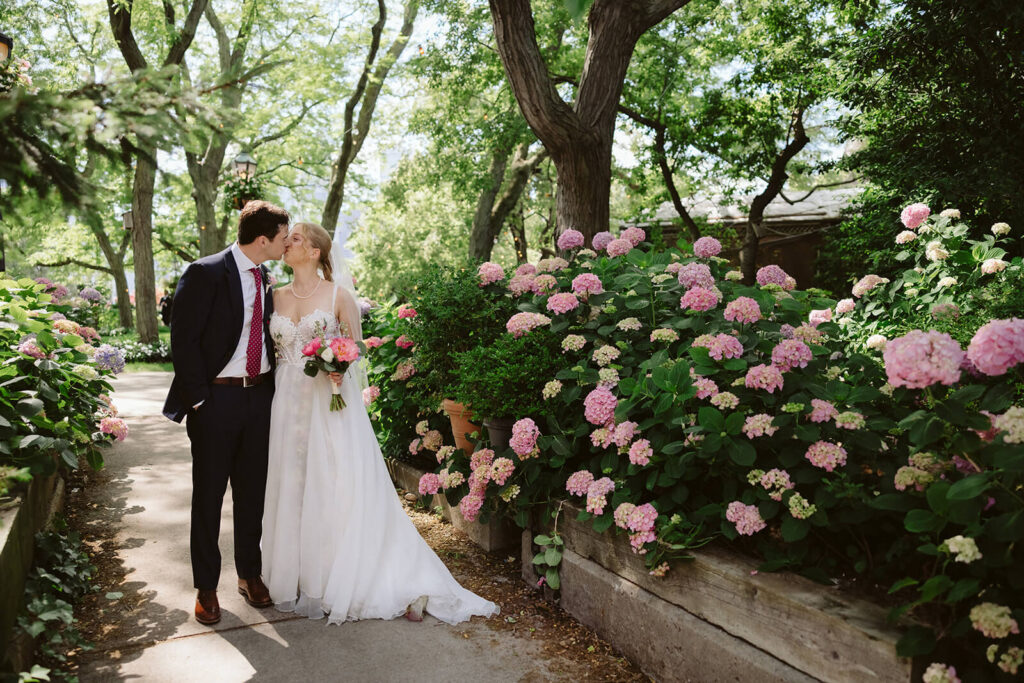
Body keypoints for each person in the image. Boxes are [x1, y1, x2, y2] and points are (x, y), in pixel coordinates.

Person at [262, 222, 498, 625]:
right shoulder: (273, 296)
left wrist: (339, 368)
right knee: (295, 483)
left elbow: (353, 350)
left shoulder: (339, 295)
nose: (288, 242)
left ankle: (359, 575)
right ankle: (301, 573)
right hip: (286, 402)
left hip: (328, 400)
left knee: (337, 482)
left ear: (317, 251)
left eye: (297, 238)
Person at [162, 200, 289, 625]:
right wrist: (199, 400)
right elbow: (184, 340)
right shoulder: (205, 272)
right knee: (209, 497)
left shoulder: (268, 277)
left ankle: (249, 575)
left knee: (252, 494)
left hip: (260, 400)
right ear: (262, 239)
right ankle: (207, 588)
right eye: (283, 237)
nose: (287, 243)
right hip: (216, 401)